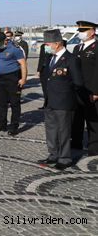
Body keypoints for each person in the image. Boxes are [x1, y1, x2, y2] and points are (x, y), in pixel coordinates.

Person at [38, 29, 83, 170]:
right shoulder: (50, 58)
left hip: (64, 101)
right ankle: (53, 155)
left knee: (63, 131)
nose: (46, 46)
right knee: (51, 130)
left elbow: (78, 82)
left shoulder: (71, 59)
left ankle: (65, 158)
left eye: (48, 43)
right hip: (50, 101)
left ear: (57, 44)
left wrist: (68, 96)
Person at [0, 32, 27, 136]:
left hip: (12, 77)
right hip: (0, 78)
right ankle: (1, 123)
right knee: (1, 102)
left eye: (0, 43)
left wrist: (23, 79)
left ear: (6, 40)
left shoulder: (15, 49)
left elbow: (23, 64)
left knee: (14, 103)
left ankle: (14, 126)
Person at [71, 21, 98, 155]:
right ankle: (76, 142)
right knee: (77, 118)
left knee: (93, 120)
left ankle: (94, 147)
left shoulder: (96, 47)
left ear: (92, 32)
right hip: (78, 90)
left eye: (84, 30)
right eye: (80, 30)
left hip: (91, 90)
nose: (80, 33)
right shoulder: (77, 48)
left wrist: (95, 91)